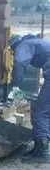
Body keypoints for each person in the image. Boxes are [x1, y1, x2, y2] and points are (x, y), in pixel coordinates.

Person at [9, 33, 50, 163]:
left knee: (39, 111)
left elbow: (20, 62)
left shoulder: (23, 45)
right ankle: (40, 146)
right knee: (45, 110)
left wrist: (15, 85)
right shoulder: (36, 42)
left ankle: (42, 151)